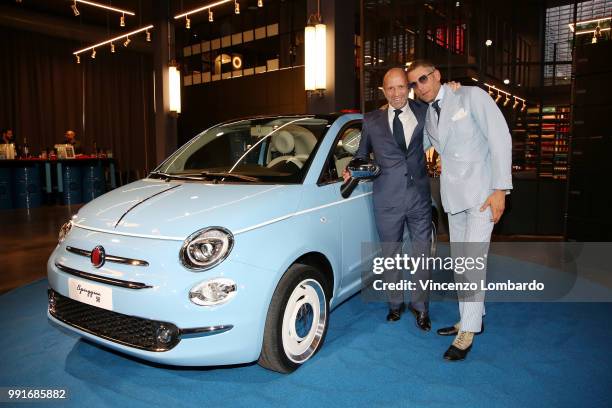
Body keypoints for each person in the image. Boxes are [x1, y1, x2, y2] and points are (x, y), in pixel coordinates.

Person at [407, 60, 512, 361]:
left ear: (437, 75)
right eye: (414, 83)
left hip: (482, 195)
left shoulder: (471, 96)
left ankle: (468, 331)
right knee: (461, 264)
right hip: (453, 200)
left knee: (473, 262)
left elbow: (499, 138)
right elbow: (415, 144)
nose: (419, 87)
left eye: (423, 79)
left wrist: (500, 189)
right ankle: (471, 317)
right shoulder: (428, 116)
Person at [344, 67, 446, 331]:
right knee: (391, 255)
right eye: (391, 88)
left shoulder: (424, 111)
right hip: (386, 199)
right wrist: (352, 168)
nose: (397, 93)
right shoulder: (371, 120)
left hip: (419, 197)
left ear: (408, 87)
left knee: (421, 255)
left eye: (401, 87)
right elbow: (362, 153)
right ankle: (394, 304)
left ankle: (421, 307)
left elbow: (447, 112)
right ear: (383, 90)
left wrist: (453, 90)